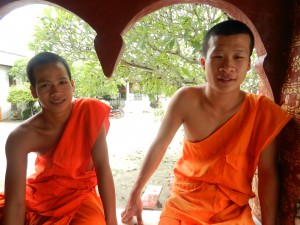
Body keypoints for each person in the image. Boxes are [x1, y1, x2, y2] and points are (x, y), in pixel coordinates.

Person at [121, 20, 292, 225]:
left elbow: (268, 172)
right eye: (218, 56)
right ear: (203, 62)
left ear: (248, 65)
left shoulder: (261, 111)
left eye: (238, 57)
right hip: (185, 203)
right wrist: (135, 193)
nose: (227, 66)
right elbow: (159, 145)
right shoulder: (186, 100)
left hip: (232, 211)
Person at [0, 52, 117, 225]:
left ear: (72, 84)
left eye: (62, 82)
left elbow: (103, 169)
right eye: (46, 85)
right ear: (34, 91)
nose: (56, 91)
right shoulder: (21, 137)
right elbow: (15, 202)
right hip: (40, 194)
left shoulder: (88, 112)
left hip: (80, 196)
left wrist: (112, 221)